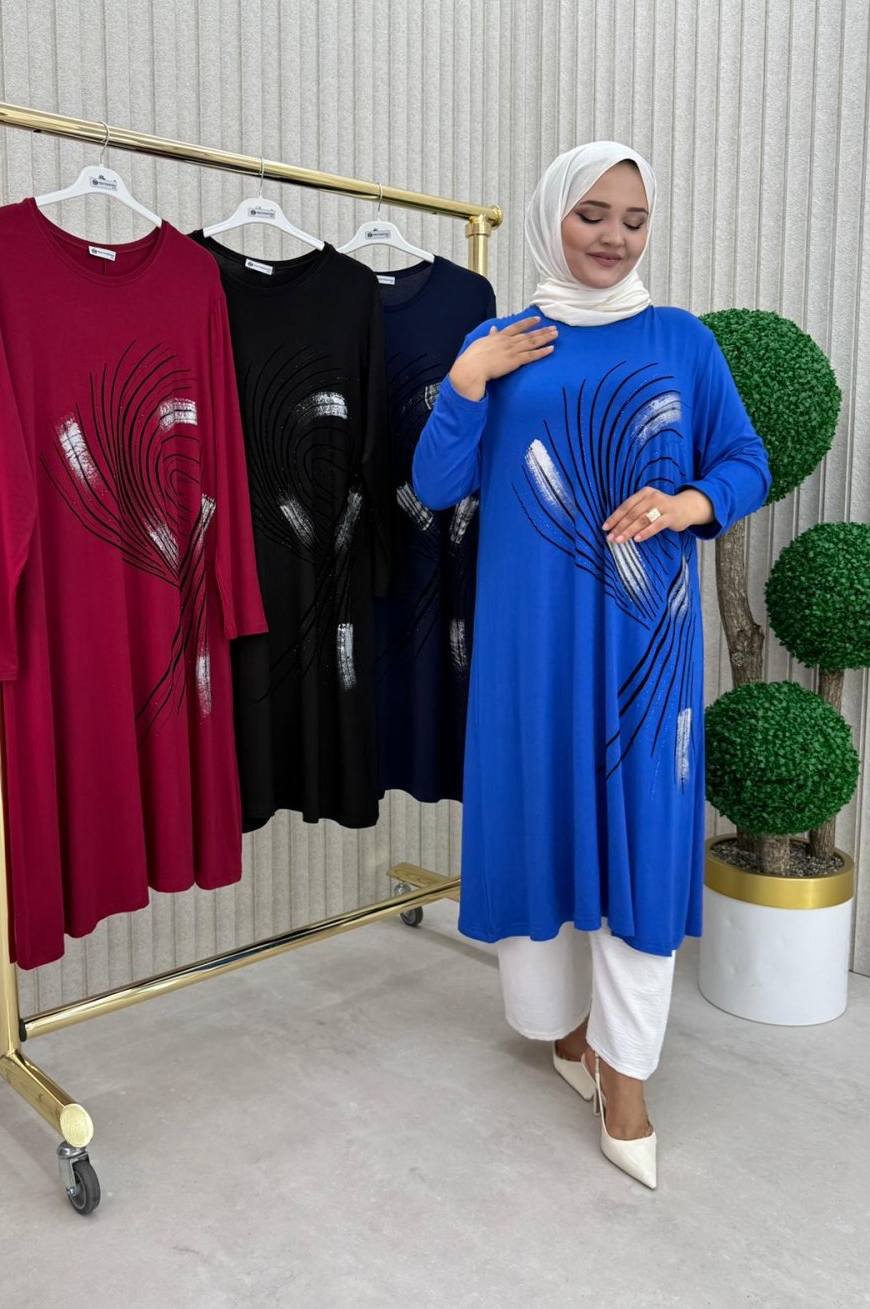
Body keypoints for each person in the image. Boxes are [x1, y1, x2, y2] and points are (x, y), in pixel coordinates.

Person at [412, 142, 771, 1189]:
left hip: (645, 643)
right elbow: (436, 484)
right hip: (529, 644)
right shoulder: (500, 341)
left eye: (634, 218)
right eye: (591, 214)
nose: (614, 237)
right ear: (549, 218)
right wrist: (466, 381)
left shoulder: (681, 340)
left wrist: (688, 502)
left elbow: (743, 460)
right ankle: (564, 1030)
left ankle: (628, 1074)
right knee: (544, 822)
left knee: (642, 838)